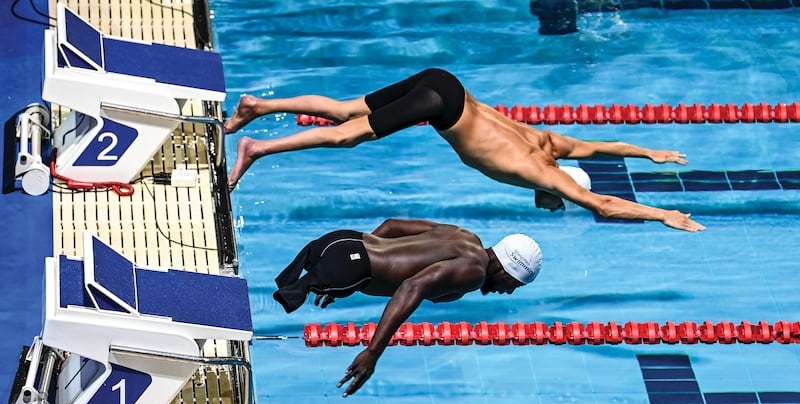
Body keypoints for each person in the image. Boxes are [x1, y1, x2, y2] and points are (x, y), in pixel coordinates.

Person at [224, 68, 705, 232]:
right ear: (563, 186)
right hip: (440, 103)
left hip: (445, 83)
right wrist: (661, 214)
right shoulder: (545, 173)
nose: (552, 203)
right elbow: (603, 204)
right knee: (347, 135)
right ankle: (257, 149)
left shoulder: (552, 143)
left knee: (345, 110)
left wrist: (649, 153)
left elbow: (600, 146)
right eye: (560, 199)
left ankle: (257, 105)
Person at [273, 218, 543, 397]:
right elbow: (412, 287)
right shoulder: (475, 272)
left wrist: (349, 275)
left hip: (344, 241)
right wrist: (372, 352)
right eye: (514, 285)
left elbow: (391, 227)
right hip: (350, 264)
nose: (505, 291)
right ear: (508, 272)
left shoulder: (465, 236)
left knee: (252, 291)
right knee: (255, 317)